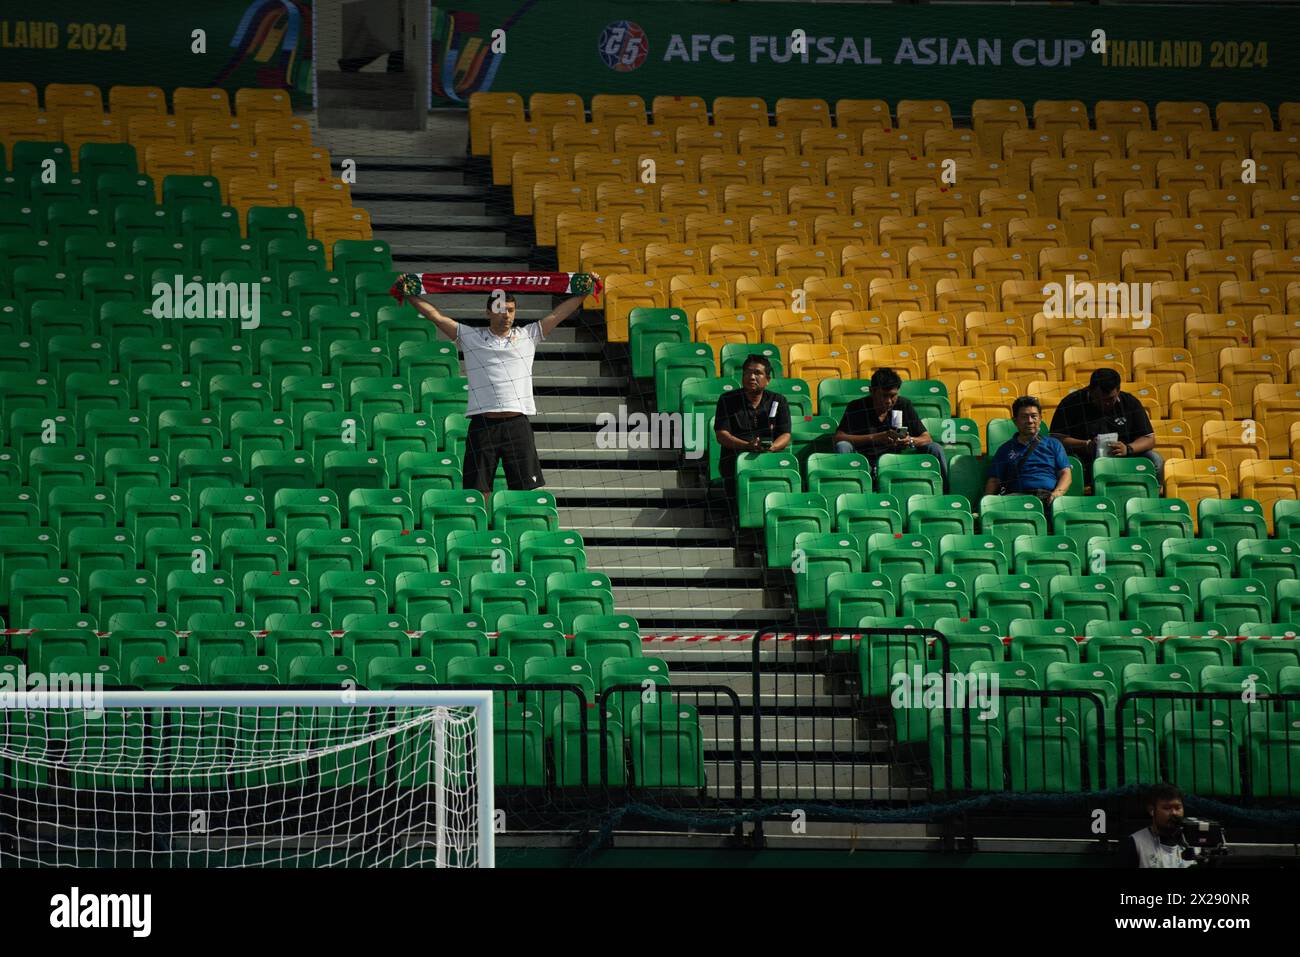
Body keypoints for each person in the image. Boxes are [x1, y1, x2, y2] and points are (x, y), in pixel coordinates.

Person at [409, 285, 590, 497]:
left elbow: (559, 313)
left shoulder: (528, 335)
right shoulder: (470, 337)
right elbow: (435, 316)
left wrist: (583, 293)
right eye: (500, 309)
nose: (506, 315)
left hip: (517, 425)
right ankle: (481, 529)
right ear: (488, 312)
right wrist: (410, 294)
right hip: (483, 426)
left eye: (511, 310)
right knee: (477, 492)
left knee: (526, 492)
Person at [832, 367, 949, 485]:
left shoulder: (904, 404)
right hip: (863, 462)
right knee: (843, 446)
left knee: (935, 448)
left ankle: (944, 491)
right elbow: (838, 438)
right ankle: (846, 487)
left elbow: (927, 438)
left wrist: (910, 440)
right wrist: (876, 437)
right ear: (872, 391)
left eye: (893, 396)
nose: (888, 401)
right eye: (884, 395)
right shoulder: (856, 407)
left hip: (899, 462)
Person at [1049, 367, 1163, 486]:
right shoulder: (1071, 403)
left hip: (1124, 458)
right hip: (1085, 459)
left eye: (1110, 399)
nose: (1105, 403)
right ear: (1090, 390)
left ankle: (1154, 494)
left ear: (1118, 391)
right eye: (1099, 399)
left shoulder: (1130, 403)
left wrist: (1127, 449)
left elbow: (1149, 438)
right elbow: (1056, 439)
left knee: (1155, 459)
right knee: (1067, 461)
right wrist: (1085, 445)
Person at [714, 353, 792, 506]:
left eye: (757, 373)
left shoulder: (779, 400)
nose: (751, 377)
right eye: (748, 372)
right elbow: (721, 435)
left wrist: (772, 447)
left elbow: (785, 434)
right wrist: (747, 446)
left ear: (767, 380)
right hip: (736, 458)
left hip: (770, 457)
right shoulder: (727, 399)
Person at [984, 395, 1072, 504]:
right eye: (1024, 417)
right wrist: (985, 504)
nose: (1030, 421)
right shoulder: (1005, 449)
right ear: (1015, 421)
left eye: (1034, 416)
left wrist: (1057, 493)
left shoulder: (1054, 444)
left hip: (1048, 497)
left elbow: (1065, 473)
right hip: (1016, 499)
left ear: (1040, 419)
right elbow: (994, 480)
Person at [1118, 783, 1195, 868]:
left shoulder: (1194, 841)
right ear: (1151, 810)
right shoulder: (1135, 843)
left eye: (1178, 808)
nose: (1174, 813)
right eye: (1167, 808)